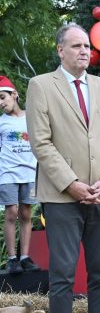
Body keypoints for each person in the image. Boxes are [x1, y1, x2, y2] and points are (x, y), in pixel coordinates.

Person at [26, 23, 100, 313]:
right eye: (77, 45)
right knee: (63, 274)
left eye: (87, 46)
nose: (85, 51)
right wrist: (71, 184)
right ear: (60, 50)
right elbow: (41, 142)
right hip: (61, 197)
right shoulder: (41, 86)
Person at [0, 75, 39, 274]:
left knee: (25, 213)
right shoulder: (1, 122)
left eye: (2, 97)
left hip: (30, 174)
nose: (1, 103)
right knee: (11, 212)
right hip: (8, 174)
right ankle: (12, 258)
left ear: (14, 95)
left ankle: (24, 257)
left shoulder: (31, 118)